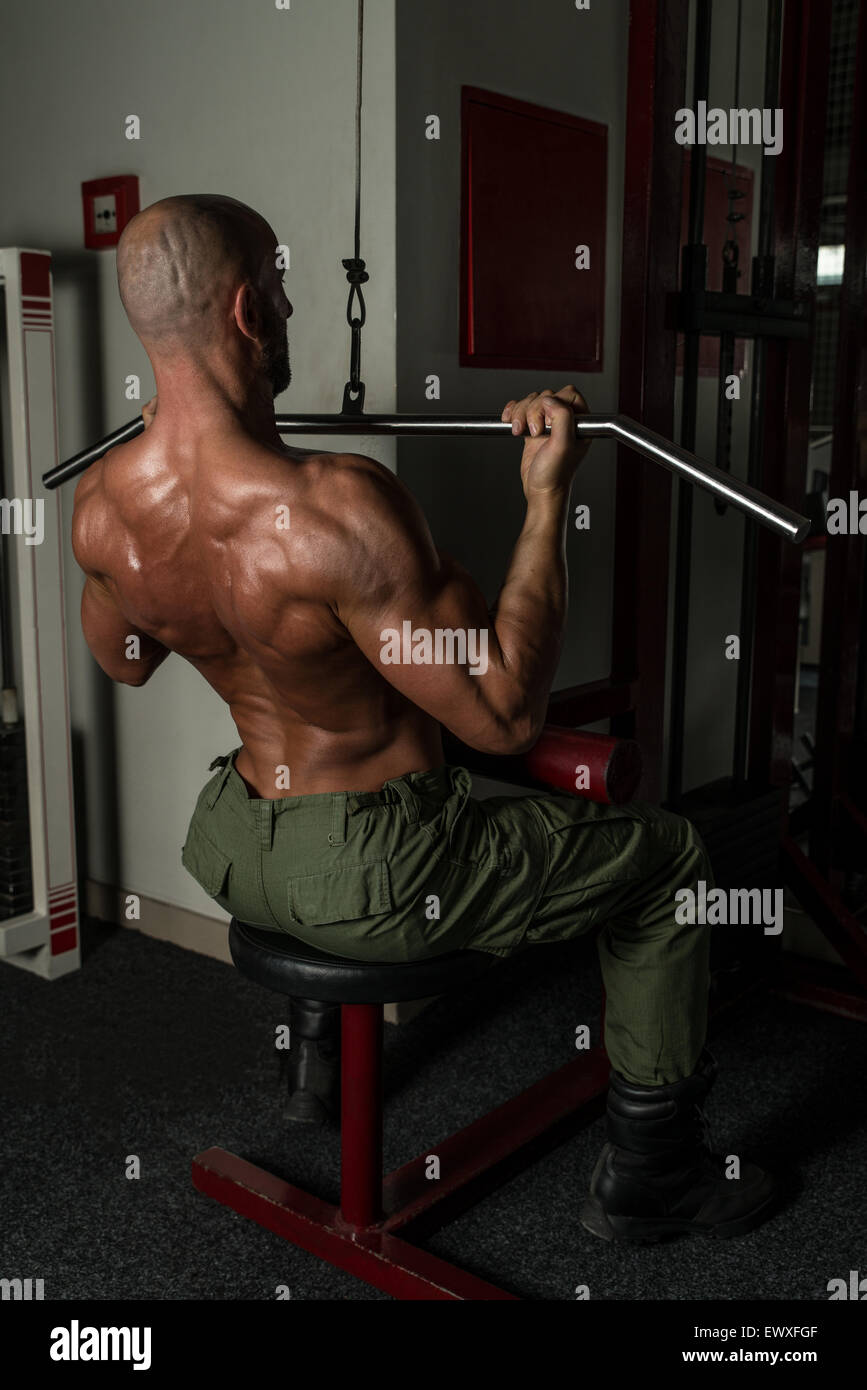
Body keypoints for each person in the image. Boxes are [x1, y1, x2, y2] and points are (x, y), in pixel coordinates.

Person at [71, 194, 777, 1243]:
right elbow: (500, 712)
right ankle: (655, 1170)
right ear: (243, 312)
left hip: (229, 843)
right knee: (669, 856)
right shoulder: (337, 510)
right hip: (374, 872)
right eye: (279, 281)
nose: (293, 299)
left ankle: (315, 1066)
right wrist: (547, 501)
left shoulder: (104, 506)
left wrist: (193, 580)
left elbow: (123, 660)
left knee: (342, 798)